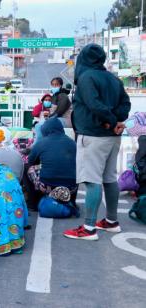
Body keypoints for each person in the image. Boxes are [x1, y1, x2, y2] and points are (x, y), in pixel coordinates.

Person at [64, 44, 131, 240]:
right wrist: (116, 121)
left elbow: (93, 104)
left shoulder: (86, 78)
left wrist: (110, 121)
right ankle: (111, 221)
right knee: (109, 178)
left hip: (93, 136)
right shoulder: (113, 78)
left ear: (83, 59)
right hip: (112, 137)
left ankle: (89, 228)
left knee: (92, 181)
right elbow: (126, 104)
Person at [27, 118, 77, 205]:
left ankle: (33, 202)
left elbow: (30, 161)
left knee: (28, 168)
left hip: (48, 186)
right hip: (71, 187)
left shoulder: (41, 143)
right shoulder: (72, 143)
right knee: (76, 170)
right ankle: (72, 201)